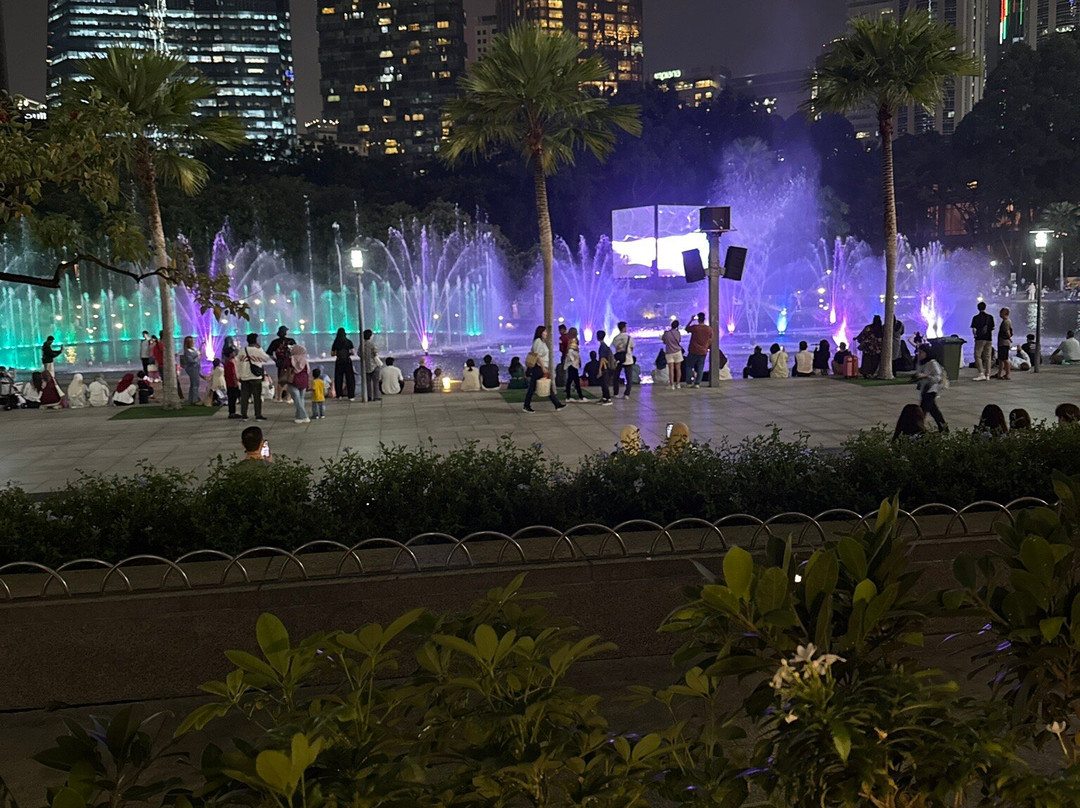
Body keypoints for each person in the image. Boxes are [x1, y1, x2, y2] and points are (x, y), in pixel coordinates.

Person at [523, 325, 565, 413]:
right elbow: (537, 356)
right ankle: (527, 406)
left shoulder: (542, 342)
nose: (546, 333)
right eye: (544, 332)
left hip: (541, 367)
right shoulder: (538, 342)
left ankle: (557, 404)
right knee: (534, 387)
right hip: (538, 367)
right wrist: (543, 367)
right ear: (540, 333)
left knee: (540, 386)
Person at [914, 344, 948, 432]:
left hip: (932, 389)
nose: (919, 354)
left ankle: (918, 429)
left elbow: (938, 377)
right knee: (934, 411)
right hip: (925, 389)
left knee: (922, 410)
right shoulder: (921, 362)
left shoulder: (933, 363)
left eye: (921, 352)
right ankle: (943, 427)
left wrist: (926, 376)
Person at [237, 332, 270, 421]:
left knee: (244, 397)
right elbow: (266, 358)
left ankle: (244, 415)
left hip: (244, 377)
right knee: (257, 397)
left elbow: (238, 364)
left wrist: (239, 375)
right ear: (256, 341)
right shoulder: (257, 351)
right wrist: (260, 348)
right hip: (256, 377)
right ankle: (258, 415)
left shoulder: (242, 351)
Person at [267, 326, 296, 402]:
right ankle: (288, 397)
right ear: (285, 333)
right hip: (290, 362)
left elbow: (269, 353)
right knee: (290, 380)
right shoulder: (291, 341)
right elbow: (295, 351)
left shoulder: (275, 342)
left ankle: (279, 397)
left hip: (280, 363)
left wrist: (275, 360)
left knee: (280, 380)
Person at [684, 312, 712, 388]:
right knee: (700, 367)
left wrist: (691, 320)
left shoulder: (695, 328)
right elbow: (710, 339)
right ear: (704, 319)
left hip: (693, 350)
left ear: (698, 319)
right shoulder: (709, 329)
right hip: (703, 351)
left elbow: (686, 329)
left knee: (689, 366)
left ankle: (689, 382)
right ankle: (697, 383)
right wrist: (707, 347)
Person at [970, 301, 994, 380]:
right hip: (989, 339)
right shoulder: (990, 317)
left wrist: (975, 336)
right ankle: (988, 374)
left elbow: (974, 329)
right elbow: (993, 328)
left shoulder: (976, 318)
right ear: (985, 307)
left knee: (977, 355)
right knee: (988, 356)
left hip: (980, 339)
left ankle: (981, 373)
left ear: (978, 308)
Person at [287, 344, 311, 424]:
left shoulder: (291, 359)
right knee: (301, 399)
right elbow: (308, 371)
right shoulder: (305, 360)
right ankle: (298, 416)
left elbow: (285, 367)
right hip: (303, 381)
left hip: (293, 381)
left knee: (297, 400)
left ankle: (304, 416)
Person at [611, 321, 635, 399]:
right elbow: (632, 348)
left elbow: (615, 347)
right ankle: (626, 394)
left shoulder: (616, 338)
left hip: (619, 359)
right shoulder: (629, 338)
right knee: (629, 378)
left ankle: (616, 393)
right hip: (628, 359)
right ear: (624, 328)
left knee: (616, 377)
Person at [331, 328, 357, 399]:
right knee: (350, 378)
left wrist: (337, 353)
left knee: (338, 378)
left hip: (339, 361)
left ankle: (339, 395)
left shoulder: (335, 343)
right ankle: (351, 395)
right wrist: (348, 353)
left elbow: (332, 353)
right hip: (347, 361)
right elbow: (353, 352)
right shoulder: (349, 342)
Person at [180, 336, 201, 405]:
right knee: (195, 383)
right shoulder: (187, 351)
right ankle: (194, 399)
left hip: (196, 367)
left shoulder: (193, 349)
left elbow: (199, 353)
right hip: (192, 368)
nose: (193, 342)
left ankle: (192, 398)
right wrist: (197, 358)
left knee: (194, 383)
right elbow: (190, 360)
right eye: (192, 341)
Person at [663, 320, 684, 390]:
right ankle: (678, 384)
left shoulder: (666, 333)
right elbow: (679, 340)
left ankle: (671, 384)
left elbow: (664, 341)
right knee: (678, 368)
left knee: (671, 369)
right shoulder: (678, 333)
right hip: (678, 351)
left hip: (669, 352)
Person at [563, 328, 584, 400]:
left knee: (571, 380)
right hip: (573, 364)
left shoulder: (570, 341)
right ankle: (579, 396)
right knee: (574, 380)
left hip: (572, 363)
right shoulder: (573, 341)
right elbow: (571, 352)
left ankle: (571, 396)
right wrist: (574, 360)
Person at [993, 307, 1013, 380]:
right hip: (1002, 343)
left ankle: (1008, 374)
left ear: (1004, 313)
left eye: (1001, 312)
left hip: (1004, 343)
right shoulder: (1006, 321)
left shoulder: (1006, 322)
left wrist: (1009, 338)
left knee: (1005, 359)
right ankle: (999, 373)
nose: (999, 314)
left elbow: (1007, 331)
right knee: (1001, 359)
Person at [596, 330, 615, 405]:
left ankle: (608, 399)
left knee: (604, 383)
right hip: (606, 367)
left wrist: (600, 369)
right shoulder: (604, 345)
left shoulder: (602, 347)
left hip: (605, 367)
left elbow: (602, 358)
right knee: (603, 383)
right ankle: (604, 397)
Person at [362, 329, 381, 402]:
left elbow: (359, 353)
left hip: (366, 366)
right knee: (375, 382)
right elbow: (375, 353)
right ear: (370, 336)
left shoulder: (362, 344)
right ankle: (376, 396)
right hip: (374, 365)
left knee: (368, 382)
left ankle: (369, 396)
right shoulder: (372, 344)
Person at [223, 347, 241, 418]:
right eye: (233, 352)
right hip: (232, 383)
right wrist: (235, 382)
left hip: (230, 383)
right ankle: (232, 412)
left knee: (232, 398)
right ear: (230, 354)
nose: (234, 353)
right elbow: (232, 373)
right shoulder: (230, 363)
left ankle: (232, 412)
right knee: (232, 398)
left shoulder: (229, 362)